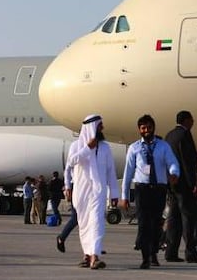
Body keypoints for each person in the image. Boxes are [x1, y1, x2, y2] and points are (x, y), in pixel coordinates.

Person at [120, 114, 180, 269]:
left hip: (159, 189)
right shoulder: (134, 148)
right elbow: (128, 173)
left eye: (149, 127)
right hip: (142, 189)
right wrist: (124, 196)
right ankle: (145, 257)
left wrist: (174, 173)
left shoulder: (163, 146)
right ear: (139, 130)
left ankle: (153, 252)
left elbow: (172, 162)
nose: (146, 130)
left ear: (153, 128)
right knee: (143, 223)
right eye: (143, 128)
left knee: (156, 224)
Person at [66, 114, 119, 270]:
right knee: (84, 224)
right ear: (91, 127)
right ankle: (87, 255)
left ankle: (95, 257)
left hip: (98, 190)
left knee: (97, 221)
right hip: (81, 191)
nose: (102, 128)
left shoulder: (105, 148)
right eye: (100, 125)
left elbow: (111, 171)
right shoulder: (76, 146)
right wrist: (87, 148)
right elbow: (71, 162)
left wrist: (114, 193)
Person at [164, 110, 197, 263]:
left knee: (173, 218)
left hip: (172, 183)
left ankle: (171, 252)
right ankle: (191, 252)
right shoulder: (185, 135)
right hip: (184, 185)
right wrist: (193, 183)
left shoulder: (169, 135)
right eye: (192, 119)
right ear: (187, 121)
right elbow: (187, 161)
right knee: (188, 218)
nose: (193, 122)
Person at [56, 157, 78, 253]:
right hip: (76, 186)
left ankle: (94, 248)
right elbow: (68, 169)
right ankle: (61, 237)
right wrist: (68, 187)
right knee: (76, 218)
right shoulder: (76, 147)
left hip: (89, 186)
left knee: (91, 219)